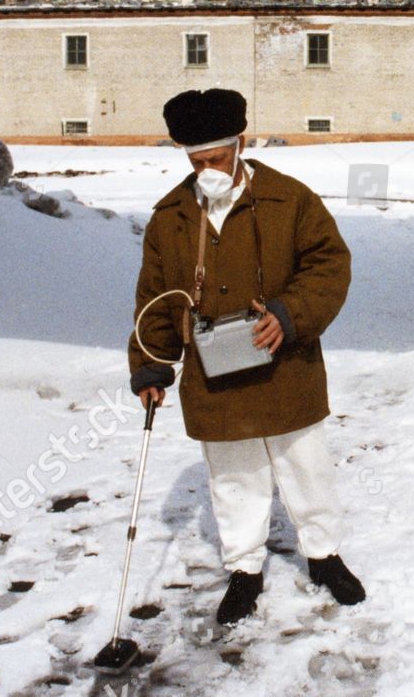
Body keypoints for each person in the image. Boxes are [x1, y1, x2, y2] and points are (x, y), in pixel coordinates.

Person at [128, 87, 365, 626]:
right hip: (214, 376)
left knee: (306, 466)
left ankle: (324, 557)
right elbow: (155, 297)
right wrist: (150, 363)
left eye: (215, 158)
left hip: (286, 364)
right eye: (196, 162)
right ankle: (244, 569)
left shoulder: (290, 199)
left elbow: (330, 265)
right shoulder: (170, 217)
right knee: (234, 478)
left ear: (240, 144)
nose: (206, 171)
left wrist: (290, 314)